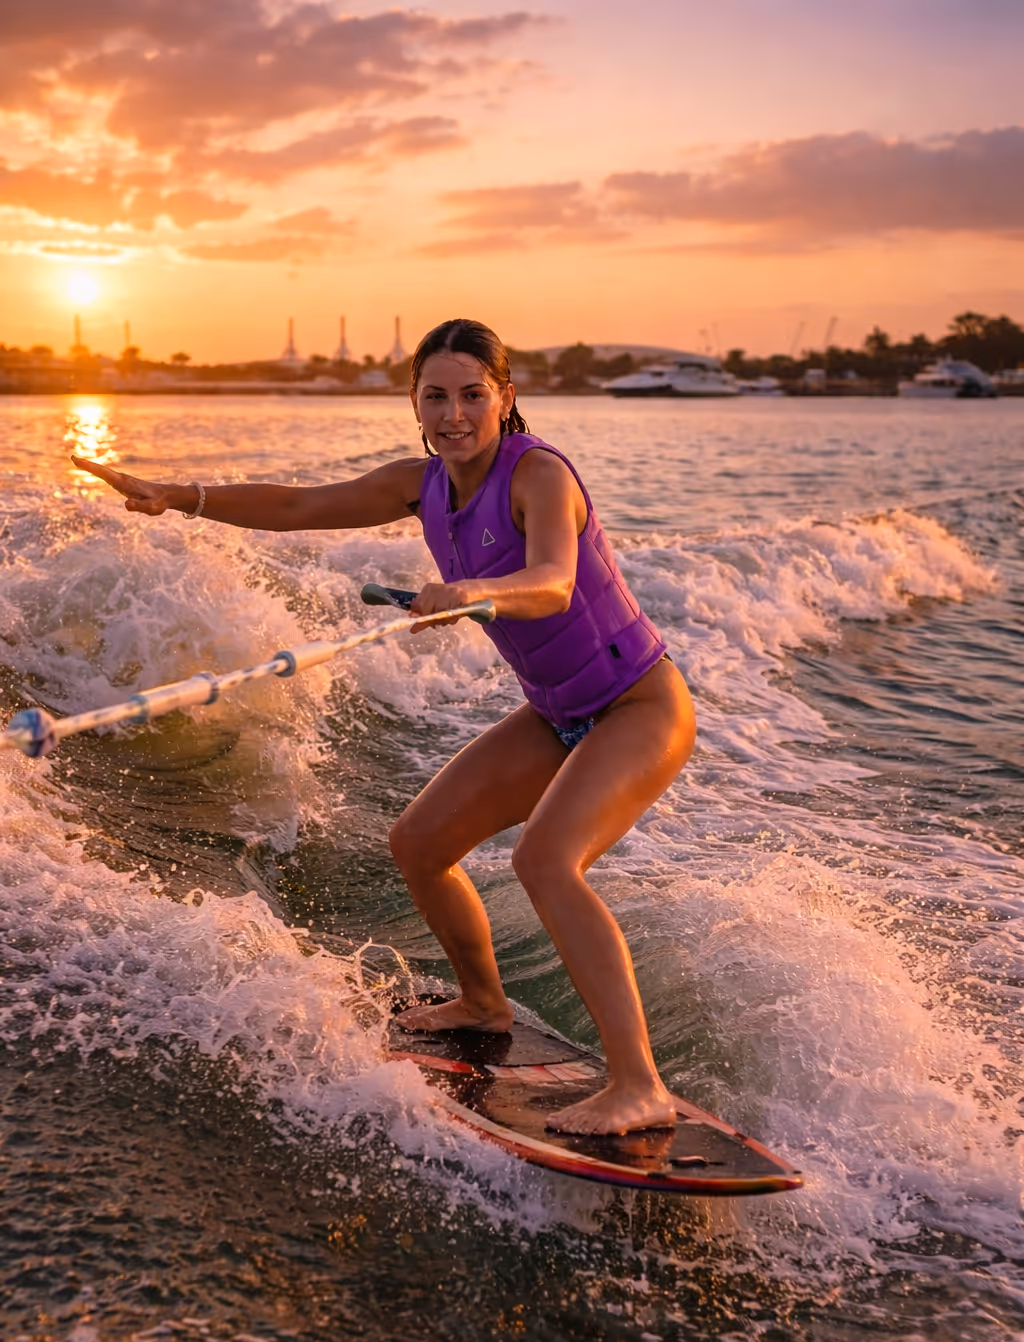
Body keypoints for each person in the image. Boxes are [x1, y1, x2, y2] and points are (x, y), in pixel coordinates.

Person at [73, 318, 696, 1135]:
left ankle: (637, 1083)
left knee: (546, 859)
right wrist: (178, 496)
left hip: (638, 705)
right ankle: (482, 1002)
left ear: (505, 397)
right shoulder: (421, 483)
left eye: (473, 394)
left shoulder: (538, 474)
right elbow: (300, 504)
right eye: (435, 396)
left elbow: (550, 582)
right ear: (413, 402)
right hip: (557, 713)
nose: (454, 414)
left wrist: (476, 588)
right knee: (420, 842)